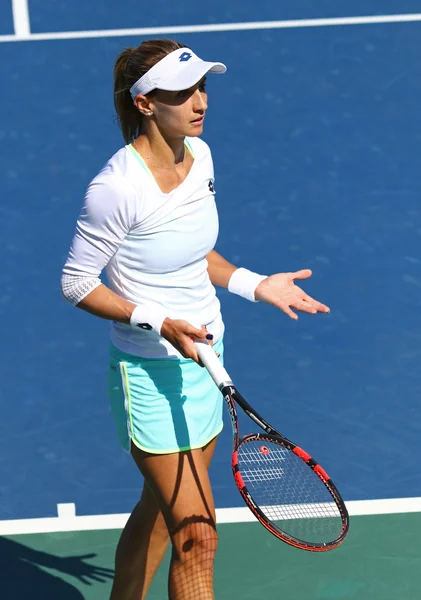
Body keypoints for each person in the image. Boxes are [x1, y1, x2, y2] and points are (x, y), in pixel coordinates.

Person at [61, 39, 330, 600]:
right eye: (181, 92)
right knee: (198, 536)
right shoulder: (117, 189)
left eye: (202, 87)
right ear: (144, 103)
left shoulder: (199, 156)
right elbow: (76, 284)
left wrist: (254, 284)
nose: (199, 101)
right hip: (151, 374)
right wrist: (158, 321)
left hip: (206, 359)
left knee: (162, 514)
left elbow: (193, 253)